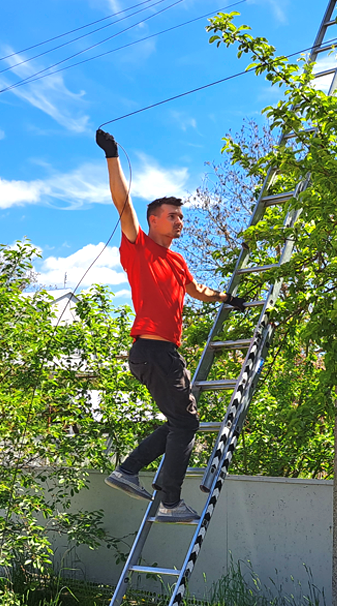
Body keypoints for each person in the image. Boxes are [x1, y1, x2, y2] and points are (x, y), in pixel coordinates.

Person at [96, 128, 247, 523]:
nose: (179, 221)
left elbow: (197, 291)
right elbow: (121, 202)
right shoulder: (138, 244)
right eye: (173, 216)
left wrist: (227, 299)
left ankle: (128, 470)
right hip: (152, 349)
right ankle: (168, 501)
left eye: (181, 216)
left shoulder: (178, 262)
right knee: (186, 421)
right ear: (153, 220)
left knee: (180, 421)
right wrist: (112, 155)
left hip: (162, 353)